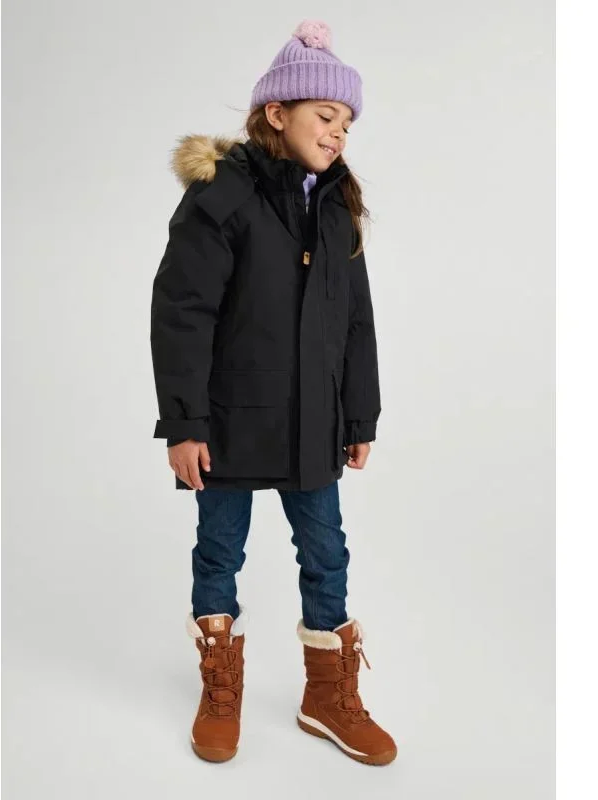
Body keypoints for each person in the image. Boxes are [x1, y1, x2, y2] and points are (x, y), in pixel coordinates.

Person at [150, 19, 396, 766]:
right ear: (277, 113)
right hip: (227, 422)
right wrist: (185, 424)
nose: (339, 132)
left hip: (315, 420)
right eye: (326, 115)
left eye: (347, 121)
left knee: (327, 552)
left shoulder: (337, 205)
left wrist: (360, 414)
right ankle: (219, 689)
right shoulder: (223, 195)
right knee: (219, 549)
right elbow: (182, 310)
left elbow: (355, 318)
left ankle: (327, 697)